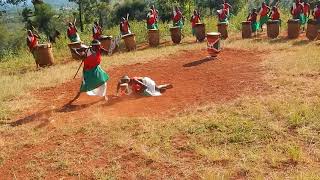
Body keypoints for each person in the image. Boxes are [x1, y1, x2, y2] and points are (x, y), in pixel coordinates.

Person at [67, 40, 110, 104]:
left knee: (103, 82)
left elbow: (107, 52)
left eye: (98, 45)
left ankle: (104, 96)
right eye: (97, 46)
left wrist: (109, 50)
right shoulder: (86, 50)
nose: (98, 47)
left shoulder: (99, 49)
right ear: (93, 46)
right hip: (88, 71)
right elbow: (77, 52)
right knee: (85, 85)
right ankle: (75, 99)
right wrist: (75, 51)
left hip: (96, 69)